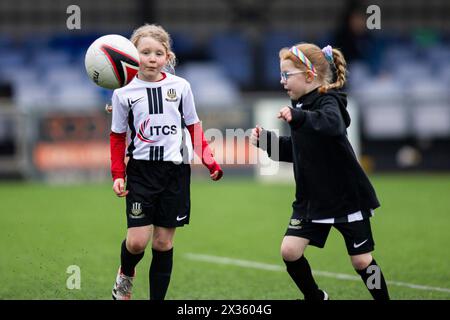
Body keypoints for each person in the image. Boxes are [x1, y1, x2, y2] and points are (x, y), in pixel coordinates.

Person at [250, 43, 389, 300]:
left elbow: (332, 125)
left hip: (346, 197)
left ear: (309, 75)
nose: (282, 81)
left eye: (287, 75)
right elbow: (299, 151)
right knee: (290, 251)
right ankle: (316, 297)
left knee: (361, 262)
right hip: (312, 200)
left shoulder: (329, 101)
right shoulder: (300, 107)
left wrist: (298, 117)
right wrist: (266, 142)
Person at [109, 24, 223, 300]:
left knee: (163, 242)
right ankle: (125, 274)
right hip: (141, 173)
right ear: (133, 56)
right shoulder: (123, 93)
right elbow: (117, 137)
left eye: (157, 53)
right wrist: (117, 173)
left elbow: (194, 127)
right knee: (137, 242)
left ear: (167, 56)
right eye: (144, 52)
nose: (151, 58)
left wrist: (209, 161)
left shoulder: (181, 87)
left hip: (175, 173)